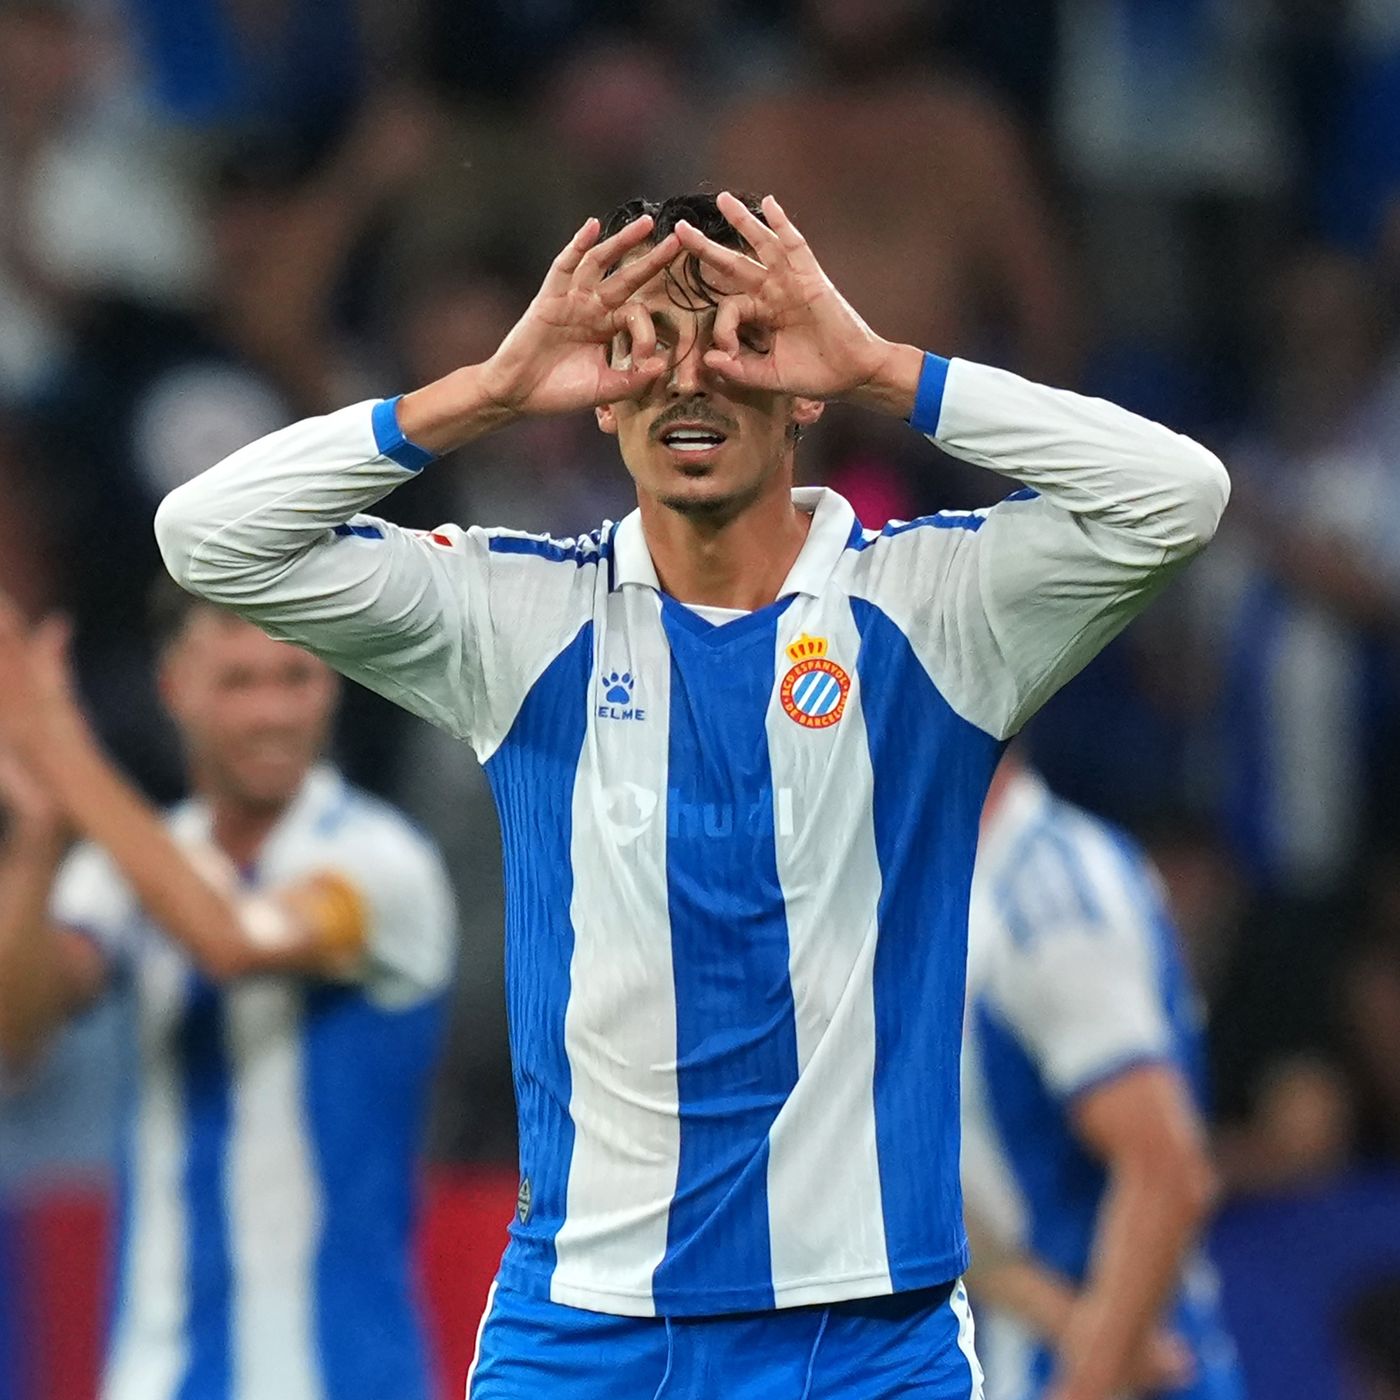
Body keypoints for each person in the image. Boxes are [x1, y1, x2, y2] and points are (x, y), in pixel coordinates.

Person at [154, 190, 1228, 1397]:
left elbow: (1177, 494)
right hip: (583, 1325)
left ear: (802, 382)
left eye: (737, 340)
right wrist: (489, 388)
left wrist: (883, 364)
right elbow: (209, 537)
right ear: (602, 390)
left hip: (861, 1334)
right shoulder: (520, 618)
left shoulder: (934, 610)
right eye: (646, 347)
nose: (689, 382)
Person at [0, 587, 456, 1400]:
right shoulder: (129, 867)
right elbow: (17, 1033)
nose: (272, 712)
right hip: (157, 1373)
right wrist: (38, 841)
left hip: (346, 1373)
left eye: (296, 678)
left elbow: (229, 941)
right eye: (239, 682)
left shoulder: (384, 866)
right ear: (175, 690)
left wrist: (60, 749)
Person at [961, 753, 1244, 1400]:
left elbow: (1166, 1170)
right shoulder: (935, 880)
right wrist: (1055, 1314)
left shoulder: (1050, 895)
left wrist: (1090, 1375)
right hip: (1017, 1356)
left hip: (1112, 1375)